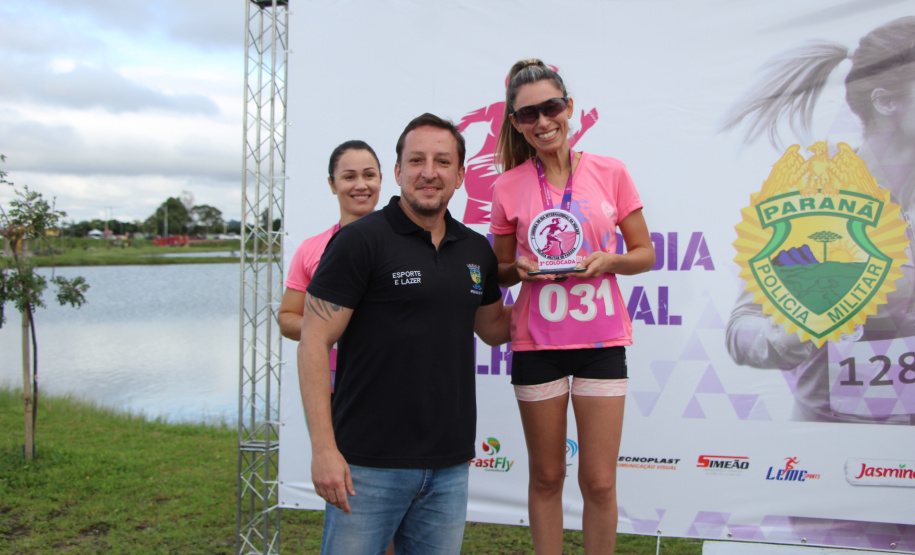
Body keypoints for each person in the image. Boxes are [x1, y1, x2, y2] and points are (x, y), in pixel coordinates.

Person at [298, 113, 513, 554]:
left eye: (442, 161)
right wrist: (324, 449)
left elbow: (494, 330)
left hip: (449, 466)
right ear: (397, 171)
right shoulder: (360, 241)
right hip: (366, 466)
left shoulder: (476, 250)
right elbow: (313, 342)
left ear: (460, 174)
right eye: (416, 160)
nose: (429, 172)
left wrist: (553, 277)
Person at [489, 59, 655, 554]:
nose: (542, 122)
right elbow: (498, 270)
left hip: (601, 342)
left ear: (569, 108)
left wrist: (609, 262)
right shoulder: (506, 186)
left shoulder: (611, 171)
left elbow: (645, 254)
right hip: (535, 344)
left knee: (600, 482)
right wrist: (516, 268)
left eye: (551, 107)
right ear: (515, 123)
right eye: (528, 114)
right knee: (545, 477)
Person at [722, 17, 915, 425]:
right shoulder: (811, 199)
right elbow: (741, 330)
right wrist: (793, 334)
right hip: (833, 443)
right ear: (886, 102)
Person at [278, 140, 382, 342]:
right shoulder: (310, 249)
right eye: (349, 177)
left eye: (369, 175)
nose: (361, 185)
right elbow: (287, 318)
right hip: (333, 371)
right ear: (332, 184)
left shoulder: (407, 242)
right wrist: (332, 327)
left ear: (380, 180)